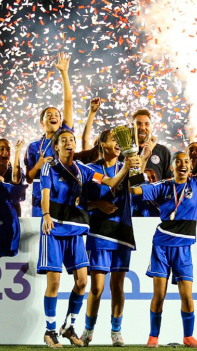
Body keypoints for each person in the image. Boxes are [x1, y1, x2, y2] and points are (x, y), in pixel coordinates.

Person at [39, 129, 140, 348]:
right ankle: (52, 331)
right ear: (56, 146)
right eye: (64, 140)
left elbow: (117, 184)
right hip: (59, 227)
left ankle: (71, 326)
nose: (69, 143)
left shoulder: (82, 169)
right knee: (59, 283)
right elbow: (46, 193)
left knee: (84, 282)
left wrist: (129, 166)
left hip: (81, 230)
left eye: (72, 140)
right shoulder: (52, 166)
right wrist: (46, 215)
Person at [130, 113, 197, 349]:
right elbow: (136, 190)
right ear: (172, 167)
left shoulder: (196, 183)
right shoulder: (163, 186)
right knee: (159, 295)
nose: (182, 165)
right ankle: (153, 337)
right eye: (178, 162)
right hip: (161, 245)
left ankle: (188, 336)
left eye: (185, 162)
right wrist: (141, 163)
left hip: (183, 247)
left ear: (190, 166)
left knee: (187, 296)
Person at [81, 130, 136, 347]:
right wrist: (98, 204)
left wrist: (141, 161)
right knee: (97, 287)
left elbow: (138, 189)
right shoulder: (92, 170)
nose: (117, 143)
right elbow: (79, 202)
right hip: (99, 232)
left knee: (118, 286)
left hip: (122, 231)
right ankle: (88, 330)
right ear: (102, 144)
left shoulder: (129, 166)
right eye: (113, 139)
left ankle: (116, 331)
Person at [25, 52, 74, 218]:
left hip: (62, 193)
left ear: (61, 122)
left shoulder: (64, 138)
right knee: (41, 230)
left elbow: (68, 102)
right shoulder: (33, 147)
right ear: (42, 122)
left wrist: (64, 73)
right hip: (40, 197)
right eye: (49, 115)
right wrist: (37, 166)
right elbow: (29, 178)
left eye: (57, 115)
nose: (53, 117)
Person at [0, 138, 26, 216]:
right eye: (2, 149)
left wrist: (17, 151)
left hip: (13, 215)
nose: (6, 152)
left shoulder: (17, 171)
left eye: (8, 149)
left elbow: (16, 180)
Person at [132, 109, 172, 181]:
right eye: (138, 123)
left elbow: (169, 179)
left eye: (146, 124)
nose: (143, 127)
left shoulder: (163, 151)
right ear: (132, 127)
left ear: (151, 127)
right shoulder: (124, 152)